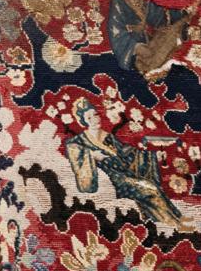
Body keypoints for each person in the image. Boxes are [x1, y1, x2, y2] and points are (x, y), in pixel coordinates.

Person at [66, 95, 185, 229]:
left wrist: (152, 156)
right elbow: (77, 163)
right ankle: (174, 225)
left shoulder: (108, 136)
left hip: (124, 174)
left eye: (95, 115)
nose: (95, 119)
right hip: (112, 180)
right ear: (83, 121)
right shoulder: (77, 142)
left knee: (152, 187)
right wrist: (92, 155)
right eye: (89, 118)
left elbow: (127, 153)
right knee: (150, 189)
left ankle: (175, 218)